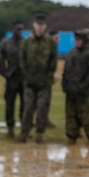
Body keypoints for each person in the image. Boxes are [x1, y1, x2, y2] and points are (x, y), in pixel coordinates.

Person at [18, 12, 58, 143]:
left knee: (42, 108)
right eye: (38, 25)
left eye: (42, 25)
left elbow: (53, 60)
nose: (40, 27)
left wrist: (49, 75)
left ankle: (39, 134)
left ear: (45, 26)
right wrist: (26, 75)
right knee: (28, 108)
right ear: (34, 25)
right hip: (30, 81)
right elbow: (22, 60)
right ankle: (24, 133)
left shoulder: (50, 42)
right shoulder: (27, 42)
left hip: (44, 82)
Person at [61, 28, 89, 145]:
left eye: (79, 39)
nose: (77, 41)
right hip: (71, 90)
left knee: (85, 116)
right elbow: (66, 70)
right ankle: (72, 136)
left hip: (84, 92)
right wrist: (65, 84)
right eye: (76, 39)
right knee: (70, 115)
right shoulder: (72, 52)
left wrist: (83, 86)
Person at [0, 20, 26, 139]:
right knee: (9, 104)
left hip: (23, 78)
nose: (19, 32)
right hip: (11, 78)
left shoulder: (26, 43)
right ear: (13, 30)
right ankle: (10, 128)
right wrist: (4, 73)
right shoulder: (6, 43)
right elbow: (1, 60)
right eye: (17, 29)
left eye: (21, 30)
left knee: (25, 104)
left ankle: (23, 128)